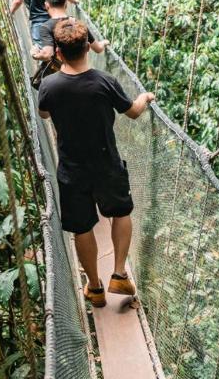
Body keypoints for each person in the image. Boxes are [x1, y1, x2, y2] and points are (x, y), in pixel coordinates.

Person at [37, 18, 155, 307]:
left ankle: (94, 287)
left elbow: (43, 116)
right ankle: (119, 274)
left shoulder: (49, 86)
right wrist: (144, 97)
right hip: (106, 163)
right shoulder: (105, 82)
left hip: (71, 168)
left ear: (59, 53)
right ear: (88, 47)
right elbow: (134, 112)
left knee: (82, 227)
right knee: (121, 211)